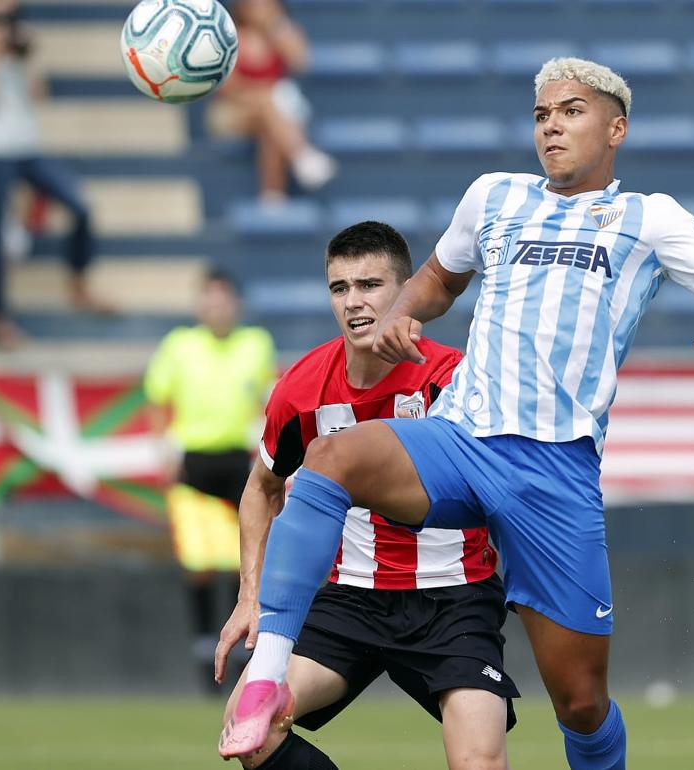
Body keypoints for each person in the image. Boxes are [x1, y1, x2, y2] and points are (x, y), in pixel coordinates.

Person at [218, 57, 694, 769]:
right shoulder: (494, 197)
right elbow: (435, 279)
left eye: (571, 112)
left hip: (555, 473)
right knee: (331, 457)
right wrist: (402, 313)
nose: (551, 126)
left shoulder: (652, 218)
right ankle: (269, 669)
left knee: (580, 702)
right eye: (542, 114)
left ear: (617, 127)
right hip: (464, 439)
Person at [215, 221, 517, 770]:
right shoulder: (301, 390)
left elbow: (506, 486)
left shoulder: (454, 380)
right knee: (248, 730)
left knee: (480, 762)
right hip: (345, 598)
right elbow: (261, 489)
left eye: (370, 286)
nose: (353, 302)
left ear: (406, 293)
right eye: (339, 288)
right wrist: (250, 596)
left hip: (452, 599)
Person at [145, 267, 277, 691]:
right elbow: (157, 400)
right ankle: (205, 648)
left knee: (247, 561)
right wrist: (162, 451)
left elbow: (270, 399)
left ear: (234, 304)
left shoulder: (255, 344)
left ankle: (244, 647)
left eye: (223, 297)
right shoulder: (179, 346)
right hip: (193, 464)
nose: (216, 306)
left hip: (240, 465)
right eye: (209, 297)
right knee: (199, 563)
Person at [0, 0, 113, 348]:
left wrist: (27, 56)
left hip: (28, 148)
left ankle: (79, 285)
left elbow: (39, 95)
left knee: (81, 206)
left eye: (10, 19)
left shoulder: (19, 50)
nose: (3, 25)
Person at [207, 0, 336, 203]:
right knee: (272, 107)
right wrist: (262, 98)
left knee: (271, 130)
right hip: (232, 112)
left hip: (272, 114)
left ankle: (272, 198)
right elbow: (229, 88)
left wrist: (277, 29)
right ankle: (302, 155)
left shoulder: (283, 33)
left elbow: (300, 61)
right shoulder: (229, 38)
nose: (261, 8)